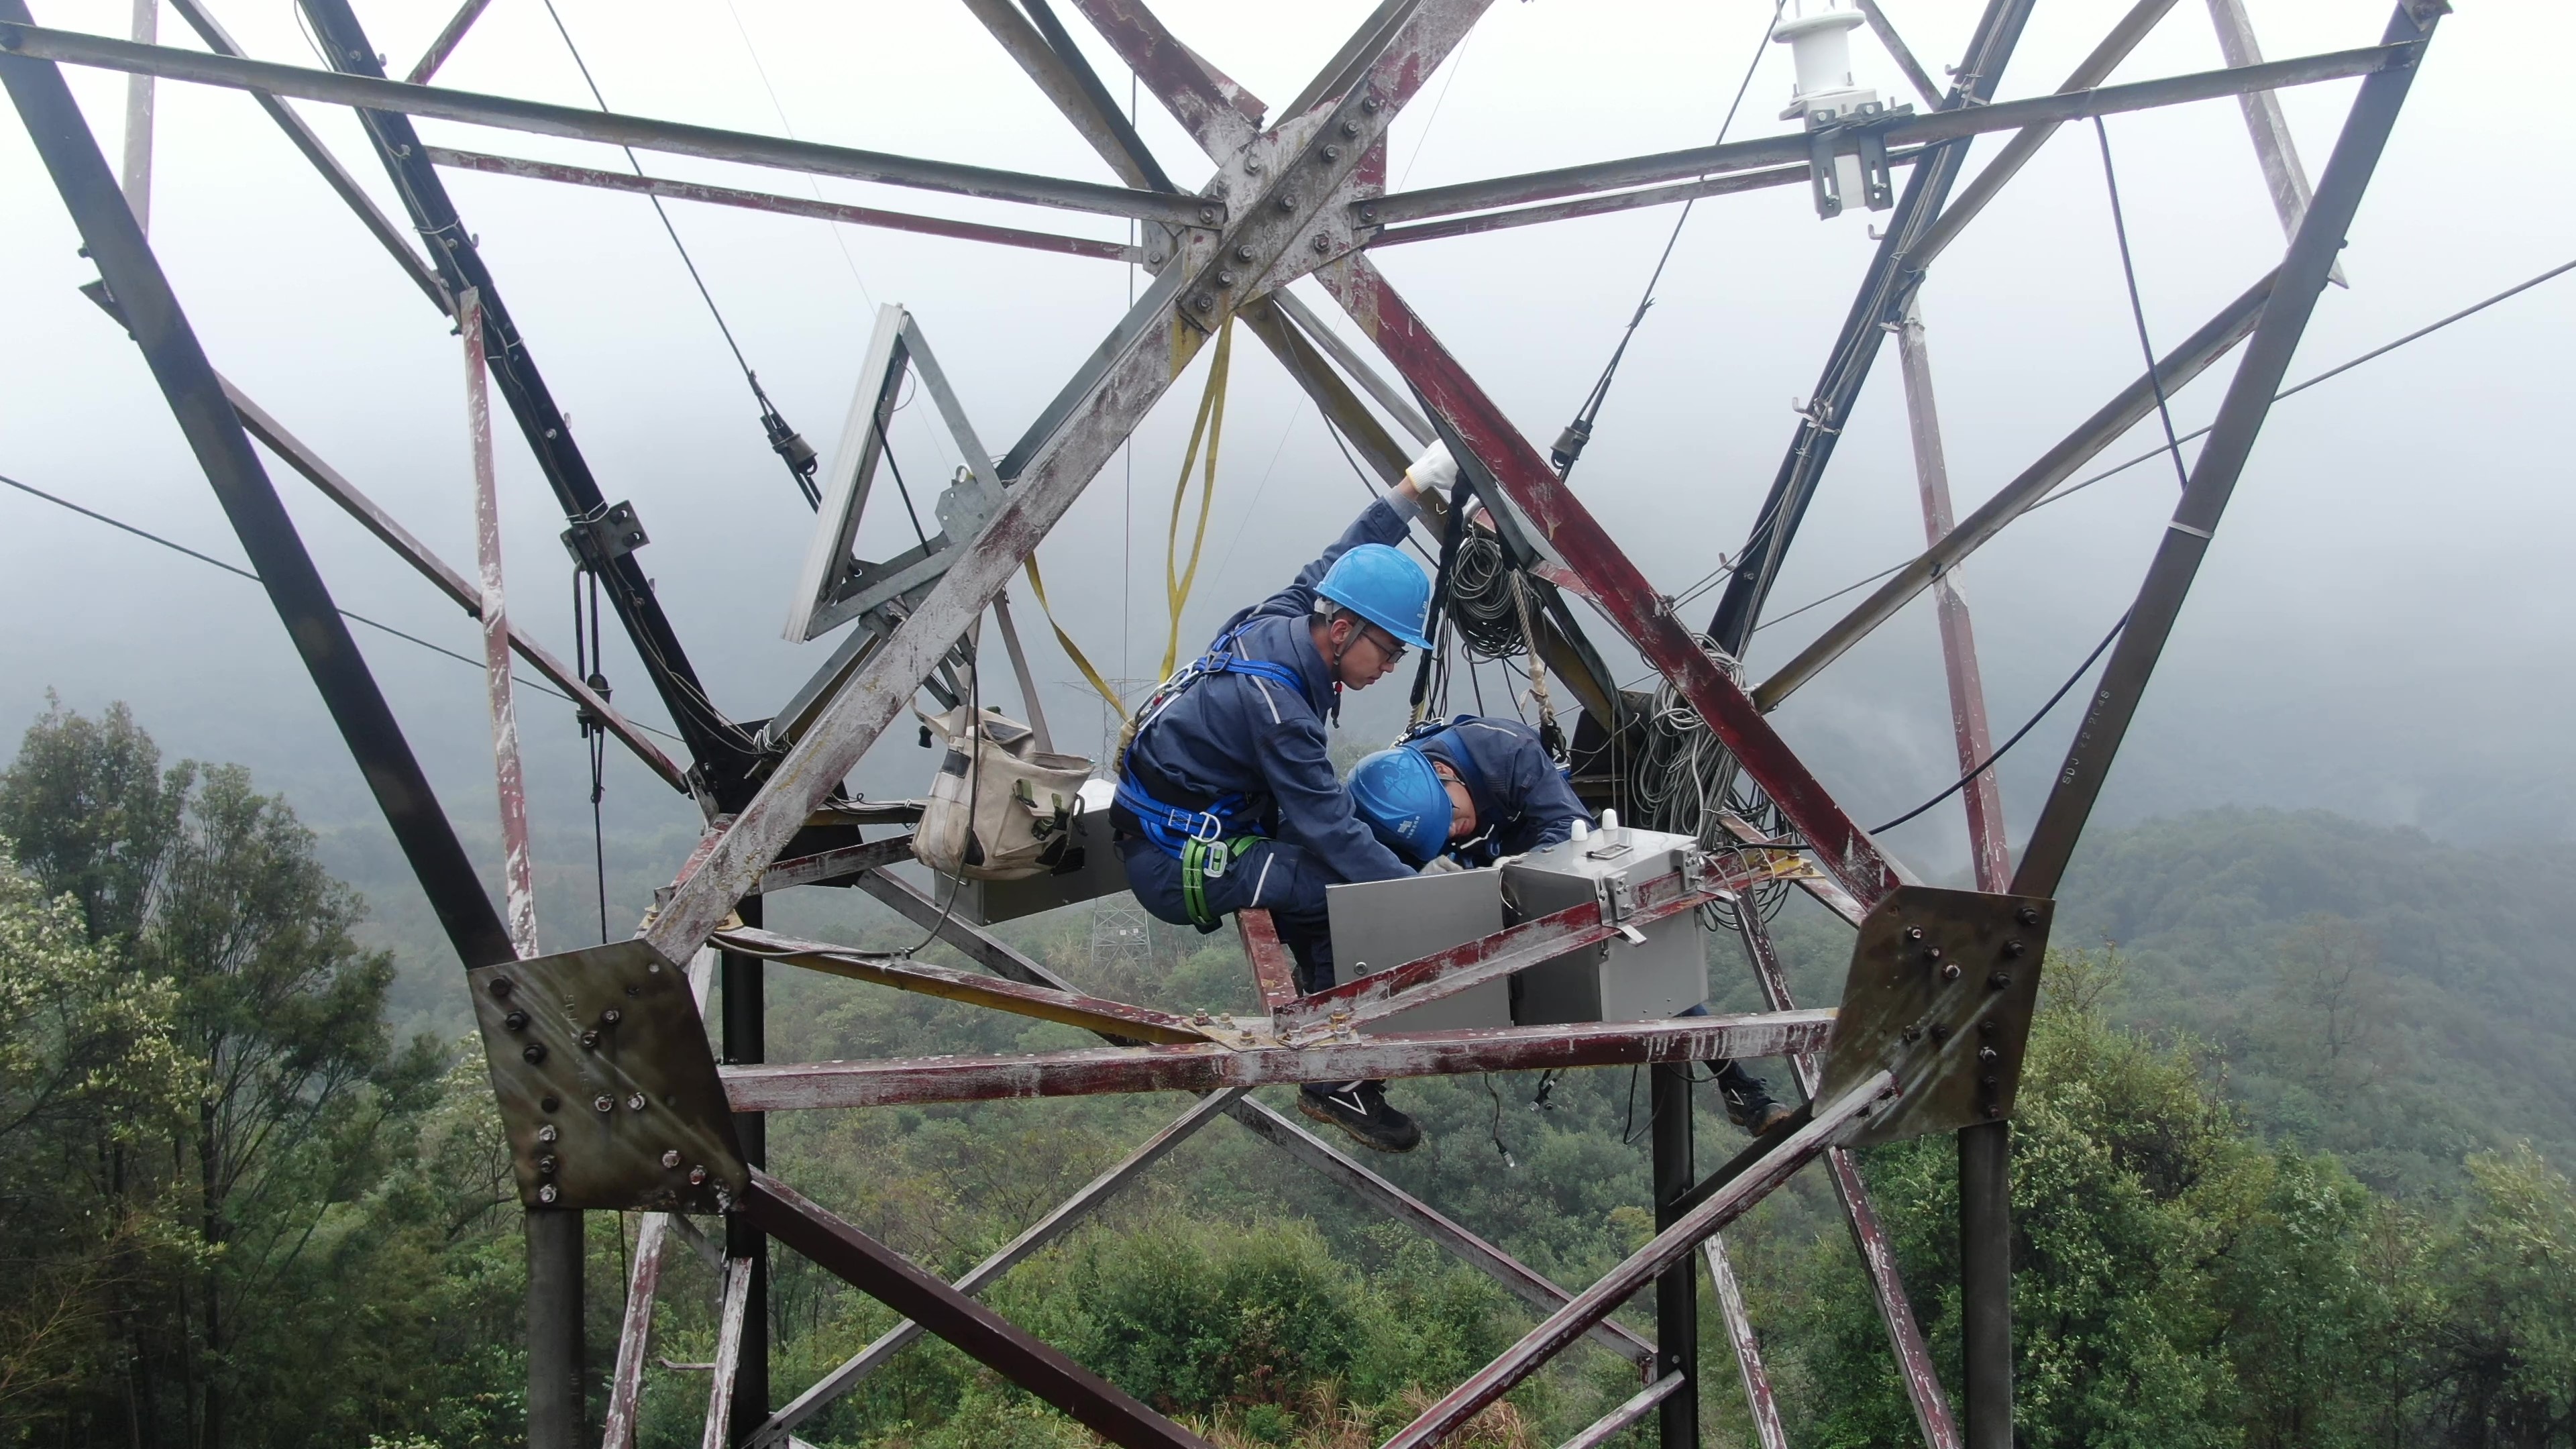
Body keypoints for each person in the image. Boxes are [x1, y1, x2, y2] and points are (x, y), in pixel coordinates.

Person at [1112, 443, 1461, 1153]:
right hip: (1176, 857)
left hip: (1201, 819)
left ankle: (1328, 1024)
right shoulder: (1280, 710)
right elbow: (1329, 830)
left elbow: (1345, 553)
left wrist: (1417, 486)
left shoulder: (1292, 613)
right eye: (1389, 652)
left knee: (1350, 865)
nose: (1391, 667)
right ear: (1341, 632)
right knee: (1340, 885)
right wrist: (1433, 909)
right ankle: (1333, 1076)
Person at [1347, 722, 1794, 1135]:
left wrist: (1518, 873)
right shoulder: (1399, 800)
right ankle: (1358, 1078)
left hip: (1536, 845)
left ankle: (1740, 1087)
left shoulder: (1507, 754)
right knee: (1422, 948)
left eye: (1449, 816)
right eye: (1436, 830)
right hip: (1480, 867)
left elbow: (1563, 826)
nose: (1449, 830)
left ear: (1446, 772)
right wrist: (1429, 878)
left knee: (1643, 964)